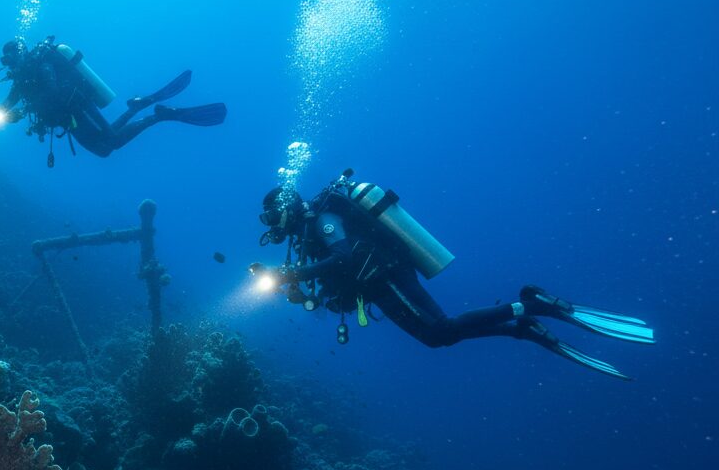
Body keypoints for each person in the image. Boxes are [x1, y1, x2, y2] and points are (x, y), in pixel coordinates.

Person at [250, 170, 654, 379]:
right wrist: (301, 293)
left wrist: (292, 272)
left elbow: (341, 257)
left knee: (441, 327)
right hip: (375, 288)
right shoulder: (305, 237)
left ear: (285, 206)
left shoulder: (323, 219)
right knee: (435, 338)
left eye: (272, 215)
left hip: (385, 275)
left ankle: (533, 304)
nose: (272, 224)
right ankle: (521, 326)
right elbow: (329, 286)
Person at [0, 36, 226, 165]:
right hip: (68, 120)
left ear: (21, 54)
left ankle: (157, 115)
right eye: (7, 61)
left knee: (111, 142)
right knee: (104, 149)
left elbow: (52, 90)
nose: (11, 64)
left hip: (77, 108)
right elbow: (8, 103)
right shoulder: (20, 81)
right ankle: (138, 107)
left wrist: (29, 107)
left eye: (12, 58)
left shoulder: (41, 66)